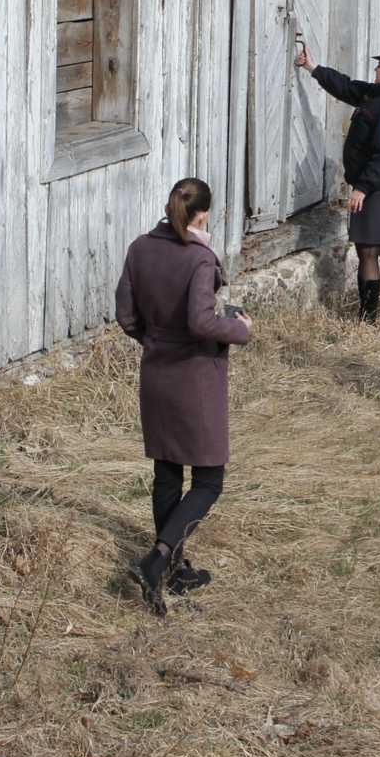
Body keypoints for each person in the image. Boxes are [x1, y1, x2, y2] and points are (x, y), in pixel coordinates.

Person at [113, 177, 252, 615]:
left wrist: (154, 341)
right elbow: (200, 322)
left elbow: (125, 315)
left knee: (168, 473)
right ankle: (157, 559)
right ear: (203, 215)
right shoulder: (200, 260)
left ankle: (172, 568)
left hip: (156, 374)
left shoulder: (139, 248)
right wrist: (240, 330)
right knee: (209, 480)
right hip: (195, 379)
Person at [294, 43, 380, 325]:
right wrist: (313, 68)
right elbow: (348, 88)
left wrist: (363, 188)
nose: (376, 69)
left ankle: (369, 317)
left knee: (369, 249)